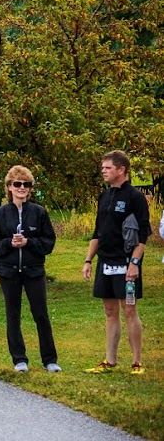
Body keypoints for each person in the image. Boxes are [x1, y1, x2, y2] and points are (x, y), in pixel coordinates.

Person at [82, 150, 150, 375]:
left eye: (108, 168)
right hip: (106, 262)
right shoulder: (105, 196)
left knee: (129, 310)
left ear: (121, 170)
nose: (103, 171)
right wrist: (88, 260)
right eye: (102, 168)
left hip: (126, 262)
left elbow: (142, 236)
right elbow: (97, 232)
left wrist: (134, 264)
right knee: (110, 310)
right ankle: (110, 361)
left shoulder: (135, 197)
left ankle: (137, 362)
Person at [0, 166, 60, 373]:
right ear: (9, 187)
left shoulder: (39, 213)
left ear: (30, 189)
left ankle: (50, 359)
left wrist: (28, 242)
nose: (21, 188)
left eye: (25, 185)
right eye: (17, 184)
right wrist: (10, 243)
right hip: (8, 272)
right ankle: (19, 358)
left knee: (41, 314)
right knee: (13, 314)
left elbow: (48, 242)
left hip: (34, 271)